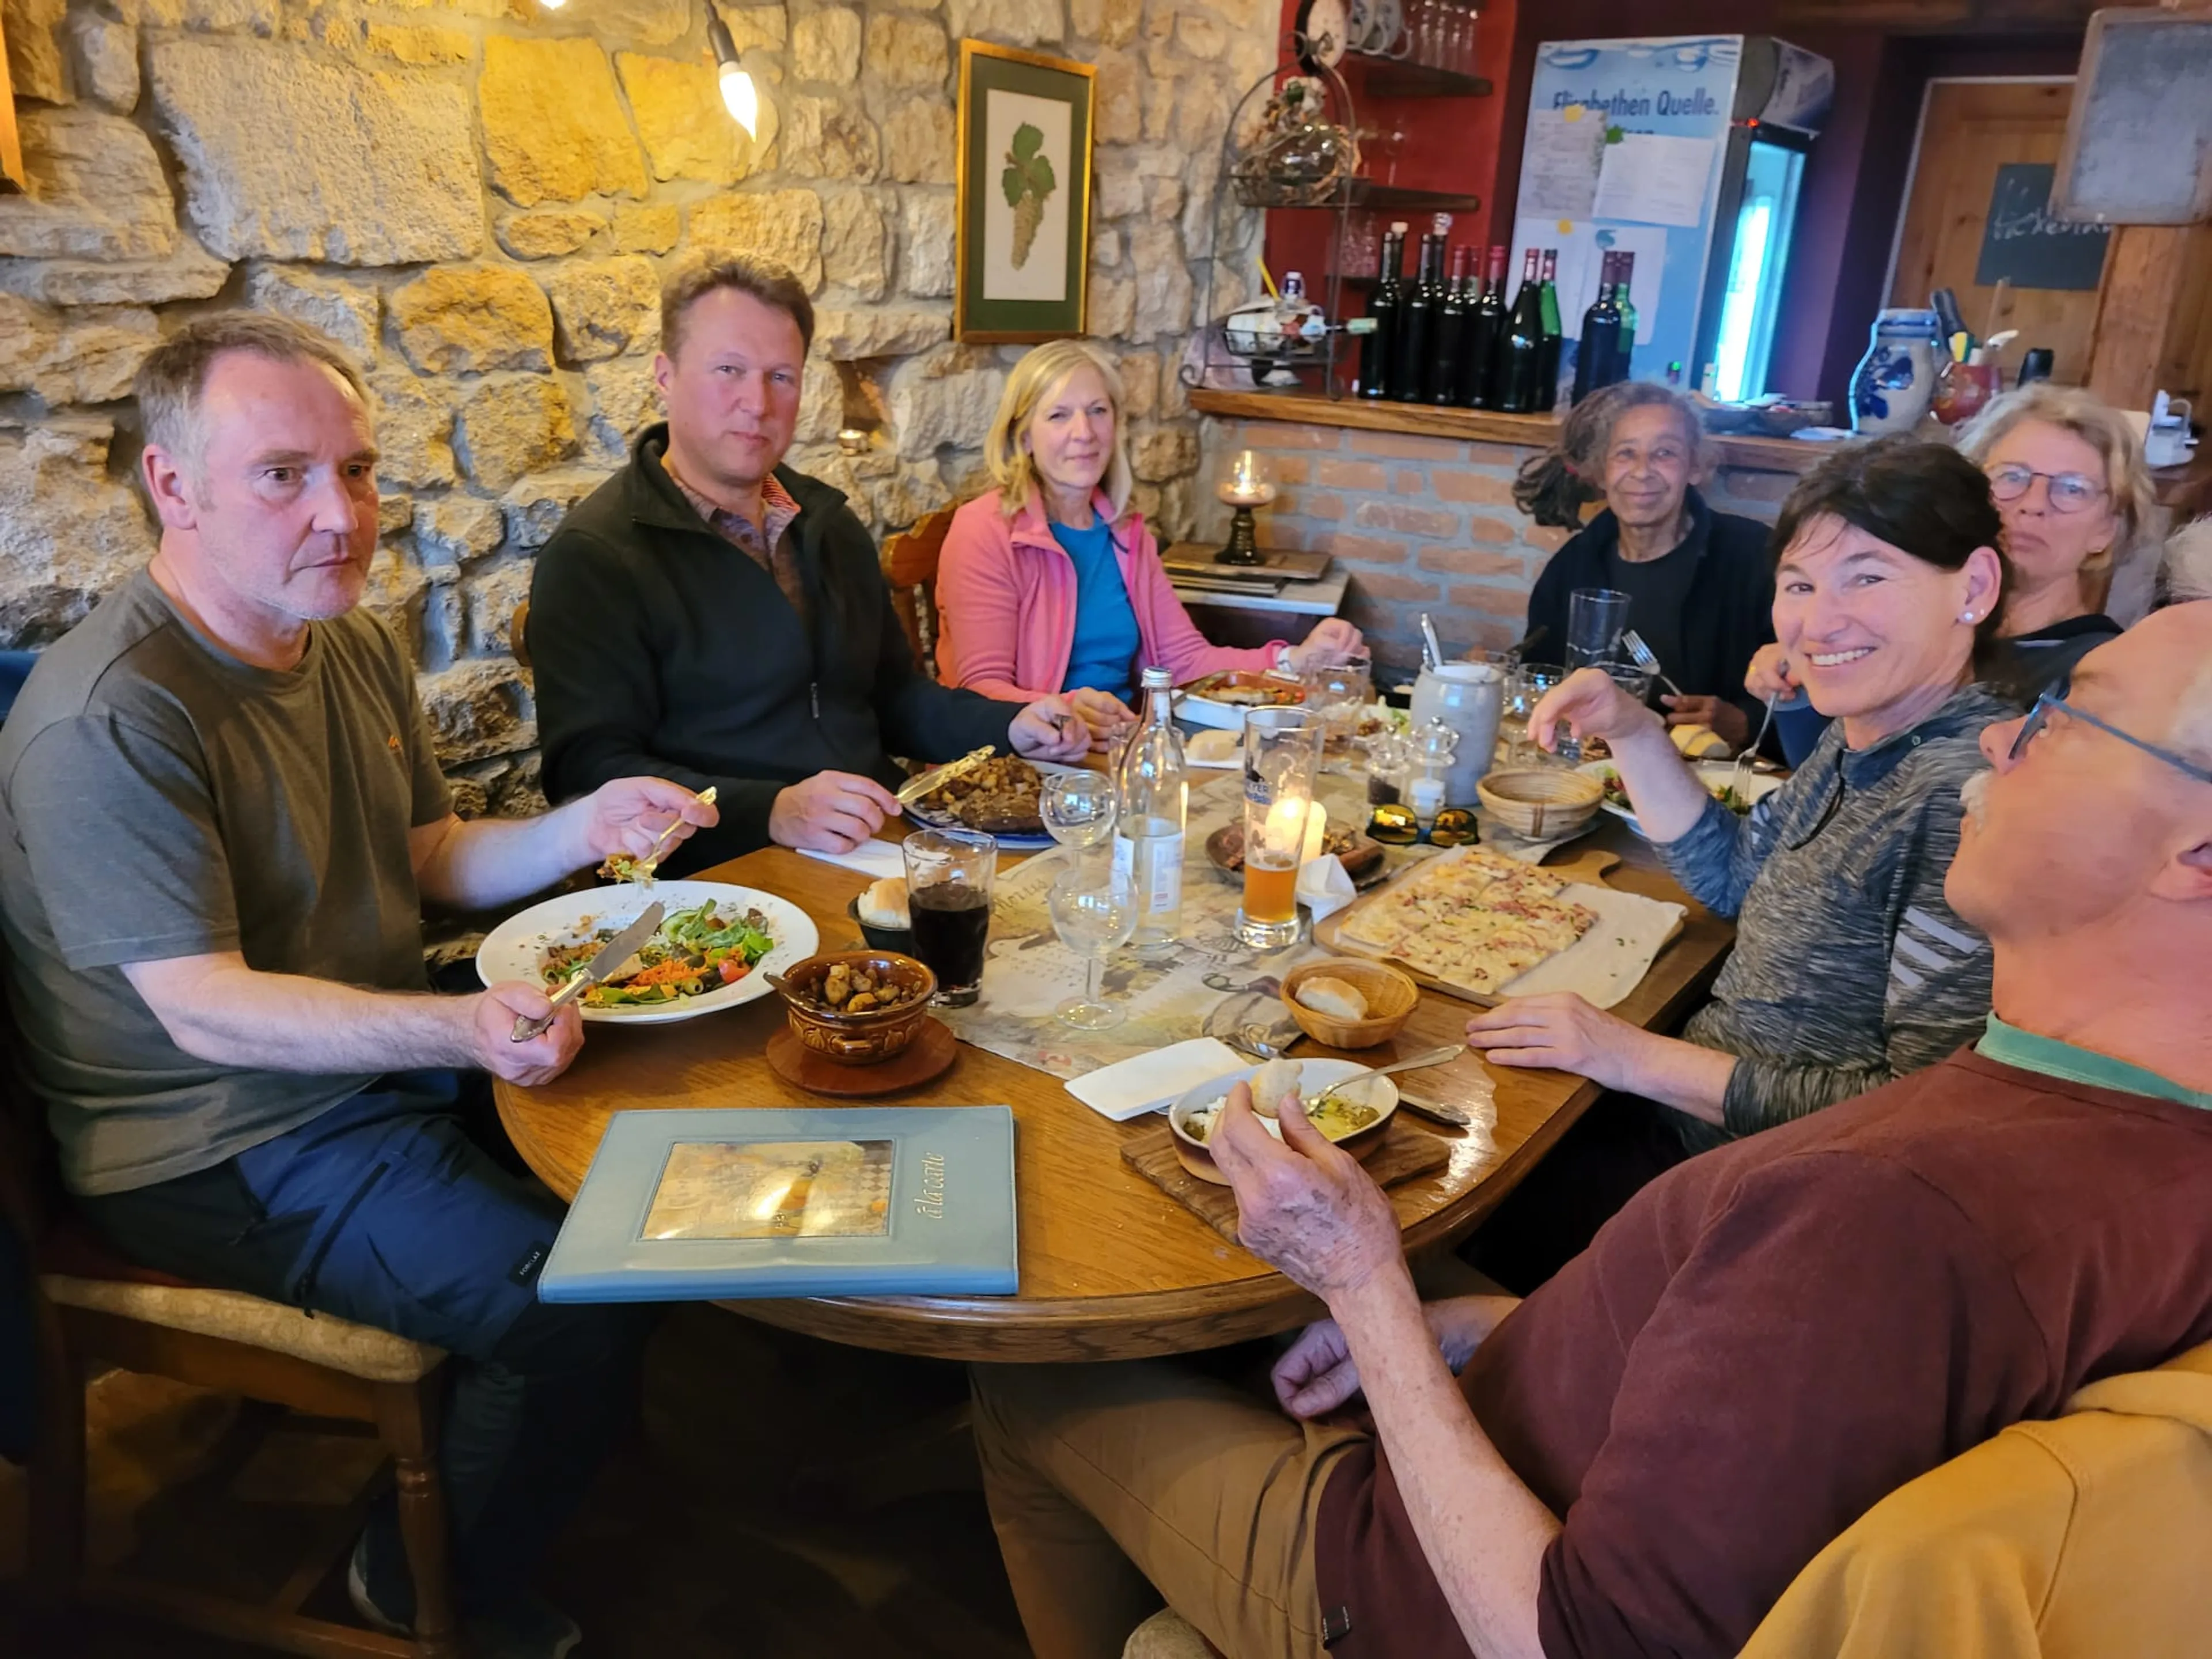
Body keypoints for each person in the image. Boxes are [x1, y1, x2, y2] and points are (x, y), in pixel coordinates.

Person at [967, 599, 2212, 1659]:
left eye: (2058, 719)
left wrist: (1363, 1284)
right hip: (1565, 1426)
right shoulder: (2112, 1135)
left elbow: (1575, 1639)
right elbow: (1798, 1402)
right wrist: (1495, 1329)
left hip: (1415, 1584)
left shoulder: (1899, 1214)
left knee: (1027, 1389)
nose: (1999, 732)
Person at [0, 316, 719, 1657]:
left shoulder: (343, 637)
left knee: (669, 1150)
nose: (342, 515)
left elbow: (425, 852)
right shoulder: (113, 713)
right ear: (175, 486)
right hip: (208, 1136)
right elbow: (203, 1005)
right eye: (284, 474)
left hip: (360, 1073)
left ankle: (539, 1456)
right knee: (576, 1294)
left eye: (361, 470)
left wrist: (585, 824)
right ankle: (422, 1576)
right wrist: (461, 1025)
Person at [1461, 439, 2009, 1280]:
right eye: (1800, 585)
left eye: (1868, 577)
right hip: (1679, 1127)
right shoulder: (1864, 737)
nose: (1818, 623)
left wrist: (1625, 1054)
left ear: (1972, 588)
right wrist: (1633, 729)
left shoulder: (1962, 792)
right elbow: (1733, 880)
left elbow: (1916, 1112)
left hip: (1745, 1205)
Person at [529, 256, 1090, 868]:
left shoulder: (825, 523)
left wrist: (1011, 724)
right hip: (716, 879)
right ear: (666, 376)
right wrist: (773, 809)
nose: (757, 402)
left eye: (781, 377)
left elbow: (894, 697)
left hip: (874, 846)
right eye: (728, 370)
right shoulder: (595, 556)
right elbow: (589, 773)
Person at [934, 339, 1362, 745]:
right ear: (1024, 437)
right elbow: (980, 692)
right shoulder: (984, 530)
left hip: (1122, 745)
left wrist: (1295, 659)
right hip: (1030, 761)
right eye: (1059, 416)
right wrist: (1067, 710)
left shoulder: (1124, 530)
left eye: (1097, 411)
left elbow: (1184, 659)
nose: (1084, 432)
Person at [1745, 382, 2154, 715]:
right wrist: (1806, 674)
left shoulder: (2099, 674)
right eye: (2012, 476)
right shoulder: (1907, 629)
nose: (2032, 503)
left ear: (2107, 529)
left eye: (2071, 489)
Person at [1514, 382, 1774, 749]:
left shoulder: (1753, 557)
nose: (1642, 472)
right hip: (1588, 773)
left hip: (1715, 780)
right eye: (1625, 454)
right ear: (1601, 473)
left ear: (1695, 468)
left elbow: (1810, 686)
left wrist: (1747, 721)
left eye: (1664, 453)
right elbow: (1540, 673)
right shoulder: (1573, 565)